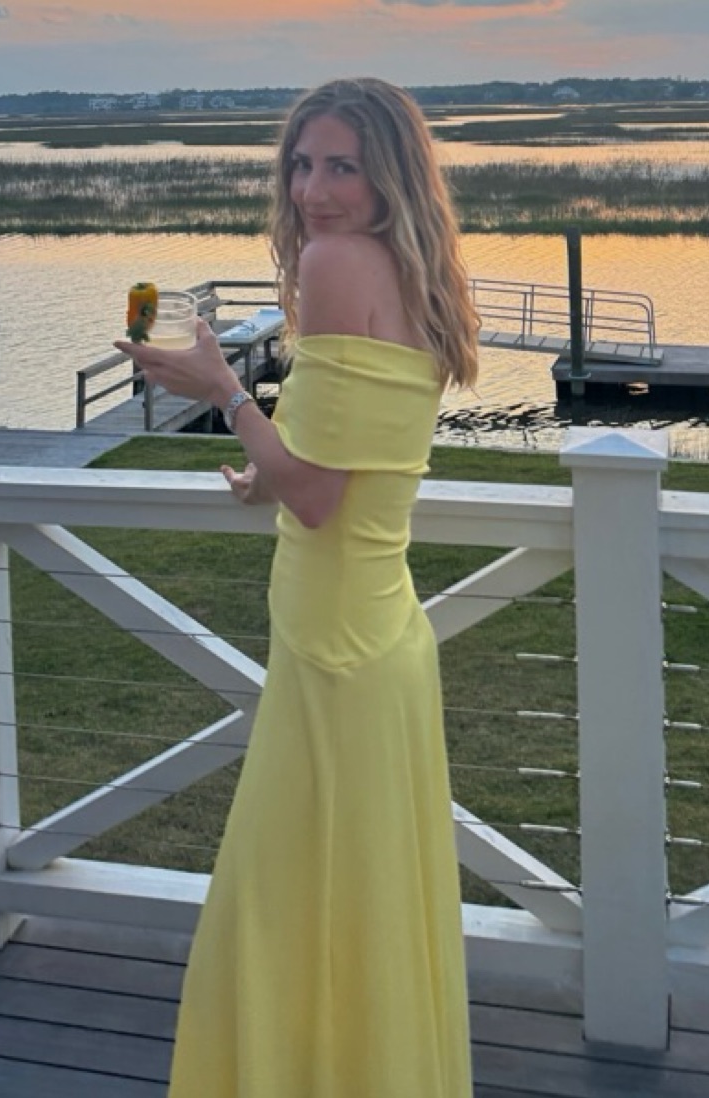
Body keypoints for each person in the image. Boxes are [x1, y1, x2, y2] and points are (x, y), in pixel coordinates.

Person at [115, 75, 481, 1098]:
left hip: (333, 650)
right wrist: (263, 472)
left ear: (389, 175)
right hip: (380, 635)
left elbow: (318, 496)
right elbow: (336, 461)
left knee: (288, 907)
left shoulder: (332, 263)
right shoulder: (413, 273)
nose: (314, 191)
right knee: (362, 910)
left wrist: (223, 391)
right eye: (301, 165)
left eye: (342, 167)